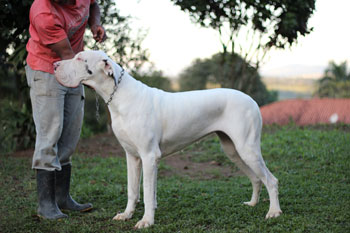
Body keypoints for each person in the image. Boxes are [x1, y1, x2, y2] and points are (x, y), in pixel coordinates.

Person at [25, 0, 106, 219]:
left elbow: (94, 5)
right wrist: (96, 77)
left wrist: (95, 24)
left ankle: (62, 198)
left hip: (73, 67)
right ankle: (46, 204)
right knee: (50, 134)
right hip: (48, 70)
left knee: (70, 135)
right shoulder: (44, 12)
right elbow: (67, 56)